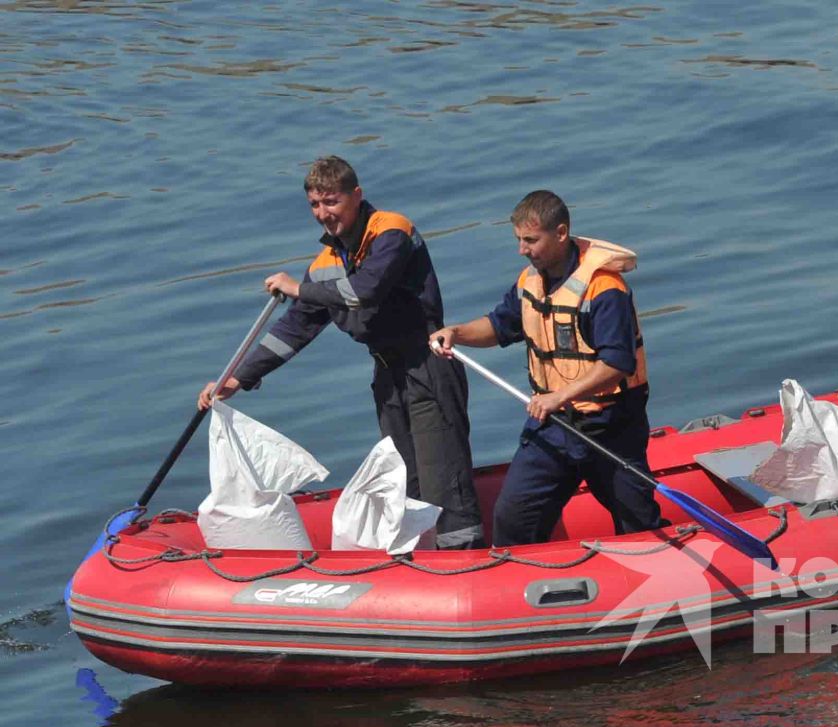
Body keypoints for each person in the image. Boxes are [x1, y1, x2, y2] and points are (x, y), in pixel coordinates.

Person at [198, 155, 484, 548]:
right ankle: (420, 567)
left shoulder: (391, 233)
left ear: (356, 196)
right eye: (315, 204)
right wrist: (240, 377)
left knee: (442, 479)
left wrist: (298, 288)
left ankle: (464, 563)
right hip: (387, 377)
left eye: (331, 202)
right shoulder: (326, 263)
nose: (323, 213)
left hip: (426, 366)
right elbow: (295, 328)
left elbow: (363, 291)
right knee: (404, 481)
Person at [429, 190, 662, 546]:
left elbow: (616, 364)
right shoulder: (530, 282)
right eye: (519, 240)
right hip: (553, 425)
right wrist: (456, 333)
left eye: (531, 240)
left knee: (636, 522)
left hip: (610, 425)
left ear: (561, 233)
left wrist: (559, 397)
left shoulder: (603, 288)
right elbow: (499, 325)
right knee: (513, 517)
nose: (522, 249)